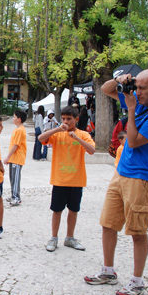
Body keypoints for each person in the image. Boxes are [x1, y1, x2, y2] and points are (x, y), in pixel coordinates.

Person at [84, 69, 148, 295]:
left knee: (137, 232)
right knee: (108, 224)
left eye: (143, 88)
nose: (138, 92)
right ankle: (108, 271)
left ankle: (137, 281)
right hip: (121, 174)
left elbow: (132, 142)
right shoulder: (138, 97)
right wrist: (121, 80)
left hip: (141, 179)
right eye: (137, 86)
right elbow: (105, 90)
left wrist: (131, 108)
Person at [39, 106, 95, 252]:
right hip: (60, 180)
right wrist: (57, 129)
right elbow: (41, 138)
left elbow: (92, 150)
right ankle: (54, 238)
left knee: (73, 210)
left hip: (76, 180)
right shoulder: (58, 134)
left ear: (76, 119)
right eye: (63, 119)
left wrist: (76, 138)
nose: (65, 121)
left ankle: (70, 238)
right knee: (56, 210)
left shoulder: (83, 134)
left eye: (69, 119)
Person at [3, 110, 27, 206]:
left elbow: (16, 145)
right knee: (12, 178)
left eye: (14, 117)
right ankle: (13, 195)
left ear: (19, 119)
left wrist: (7, 157)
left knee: (16, 178)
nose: (13, 119)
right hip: (13, 158)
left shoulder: (20, 130)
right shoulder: (16, 130)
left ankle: (16, 197)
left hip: (17, 158)